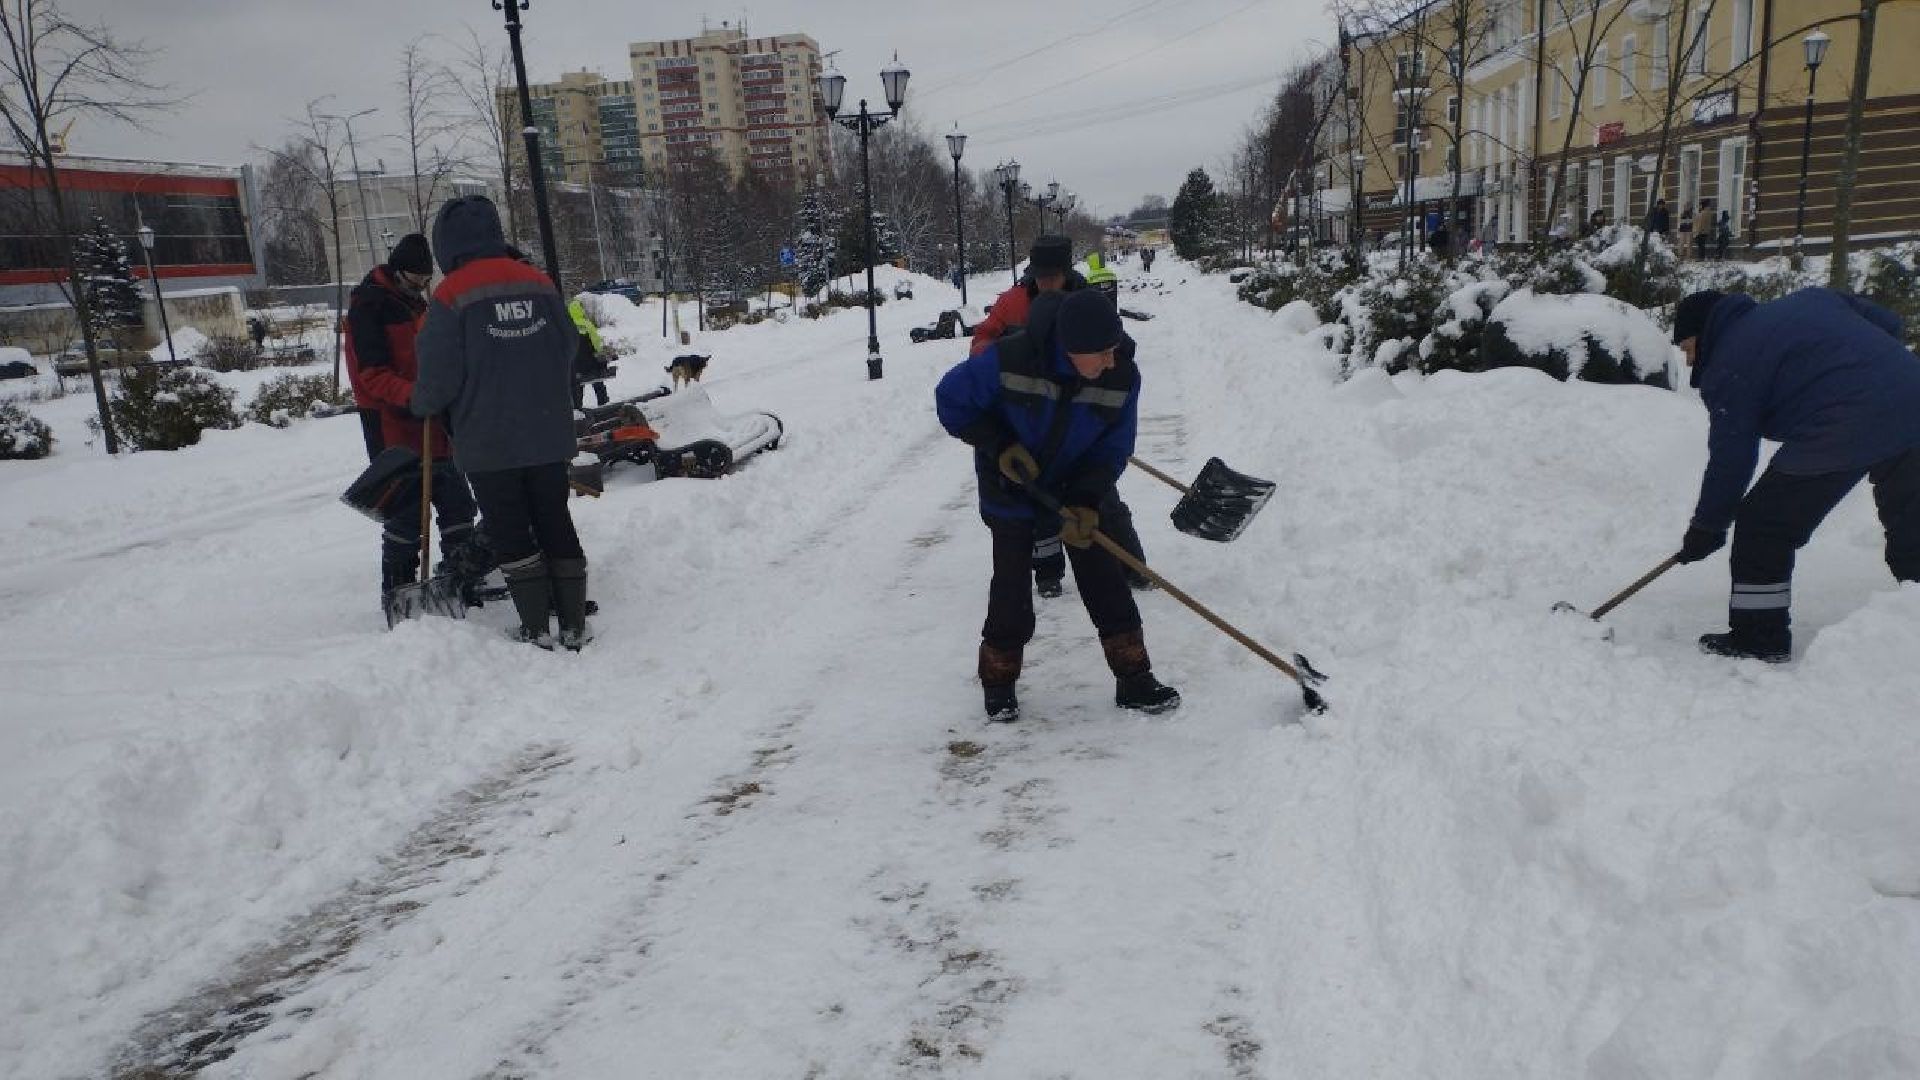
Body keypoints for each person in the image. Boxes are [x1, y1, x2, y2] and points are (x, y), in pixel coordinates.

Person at [935, 288, 1180, 722]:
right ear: (1069, 350)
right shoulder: (1011, 358)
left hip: (1076, 486)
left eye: (1113, 349)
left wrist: (1087, 498)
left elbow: (1115, 446)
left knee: (1106, 580)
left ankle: (1134, 678)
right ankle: (999, 684)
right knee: (1011, 591)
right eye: (1099, 353)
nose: (1110, 360)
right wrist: (999, 444)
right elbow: (951, 399)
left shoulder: (1121, 374)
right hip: (1011, 486)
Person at [1668, 287, 1920, 661]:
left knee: (1764, 524)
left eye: (1688, 349)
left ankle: (1758, 638)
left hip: (1842, 424)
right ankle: (1912, 614)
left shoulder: (1728, 364)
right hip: (1911, 393)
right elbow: (1889, 323)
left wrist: (1708, 528)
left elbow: (1731, 459)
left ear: (1705, 333)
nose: (1689, 363)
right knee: (1911, 519)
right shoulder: (1813, 299)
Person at [413, 196, 593, 650]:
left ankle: (535, 628)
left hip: (488, 440)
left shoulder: (451, 296)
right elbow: (569, 346)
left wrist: (423, 404)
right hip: (548, 431)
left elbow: (438, 375)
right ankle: (572, 624)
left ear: (446, 245)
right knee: (554, 518)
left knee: (510, 528)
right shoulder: (540, 283)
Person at [344, 232, 486, 609]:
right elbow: (371, 376)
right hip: (393, 425)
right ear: (399, 271)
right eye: (416, 281)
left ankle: (460, 578)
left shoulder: (418, 305)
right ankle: (399, 589)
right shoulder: (369, 307)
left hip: (435, 421)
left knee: (457, 504)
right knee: (406, 513)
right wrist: (414, 396)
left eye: (427, 282)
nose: (422, 288)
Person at [972, 236, 1088, 599]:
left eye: (1054, 276)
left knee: (1097, 497)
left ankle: (1127, 563)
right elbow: (982, 342)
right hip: (1021, 410)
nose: (1047, 283)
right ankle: (1047, 573)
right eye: (1041, 277)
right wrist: (1009, 354)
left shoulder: (1084, 303)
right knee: (1034, 494)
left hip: (1070, 409)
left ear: (1067, 272)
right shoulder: (1012, 303)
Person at [567, 295, 614, 408]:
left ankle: (577, 408)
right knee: (598, 381)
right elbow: (597, 345)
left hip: (575, 367)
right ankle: (603, 403)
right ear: (581, 310)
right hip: (591, 365)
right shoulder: (587, 325)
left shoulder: (566, 327)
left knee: (576, 387)